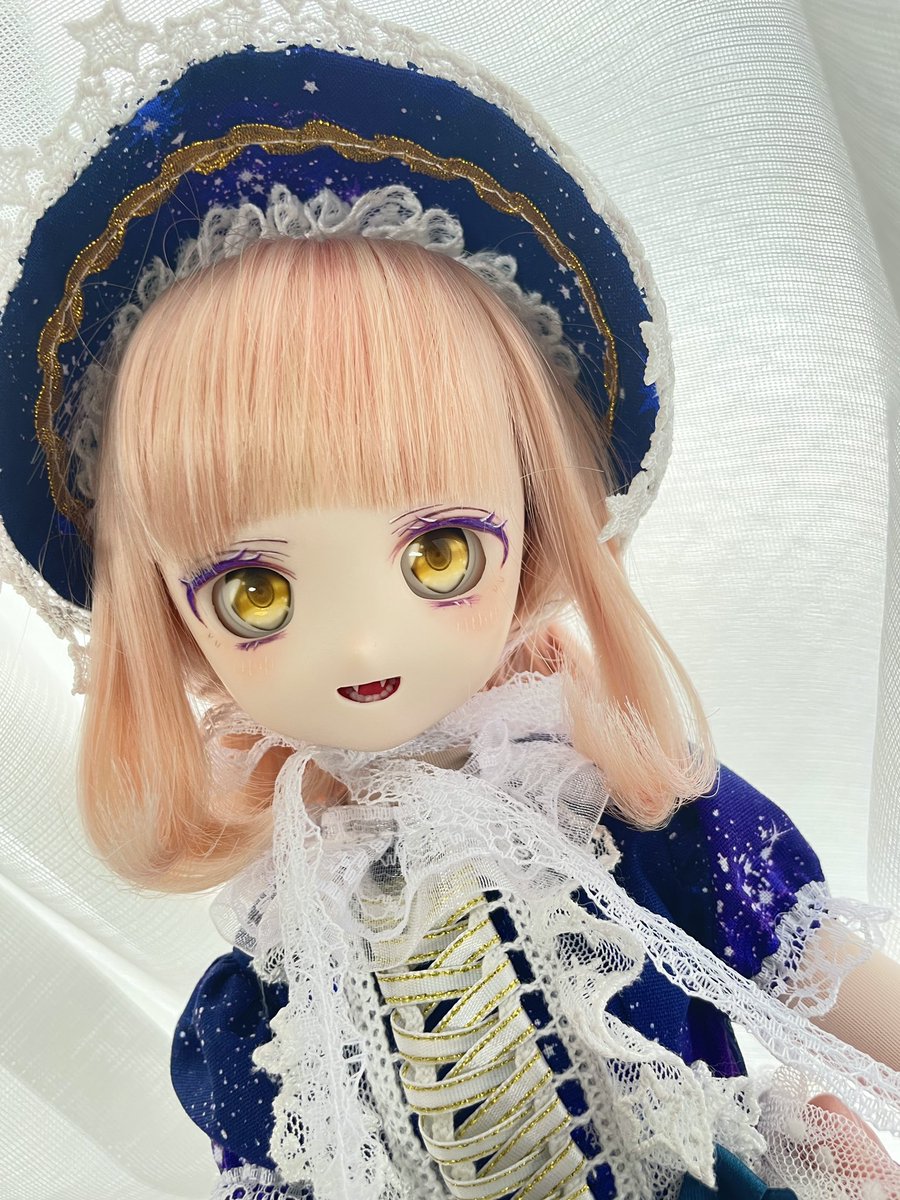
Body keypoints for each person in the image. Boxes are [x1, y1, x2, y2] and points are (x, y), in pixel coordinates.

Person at [0, 2, 898, 1197]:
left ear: (535, 523)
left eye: (438, 555)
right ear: (167, 613)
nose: (362, 640)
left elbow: (830, 981)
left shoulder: (619, 819)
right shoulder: (262, 997)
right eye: (256, 590)